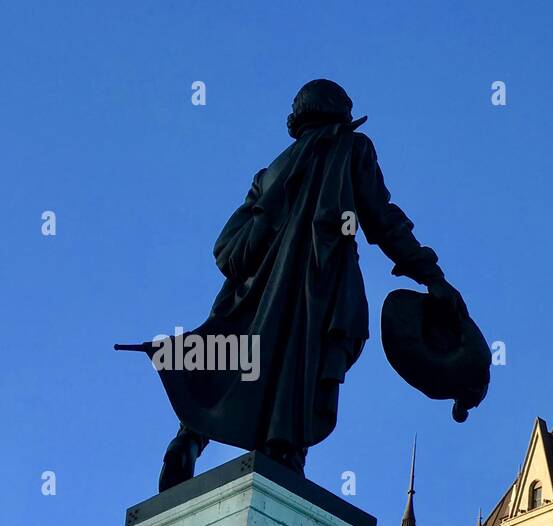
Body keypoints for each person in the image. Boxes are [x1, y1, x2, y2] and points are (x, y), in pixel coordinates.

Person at [149, 79, 456, 490]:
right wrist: (429, 274)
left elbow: (226, 250)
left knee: (242, 359)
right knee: (304, 361)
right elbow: (382, 218)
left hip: (255, 295)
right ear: (340, 113)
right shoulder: (351, 148)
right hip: (317, 283)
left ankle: (190, 437)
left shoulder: (268, 174)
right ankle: (285, 451)